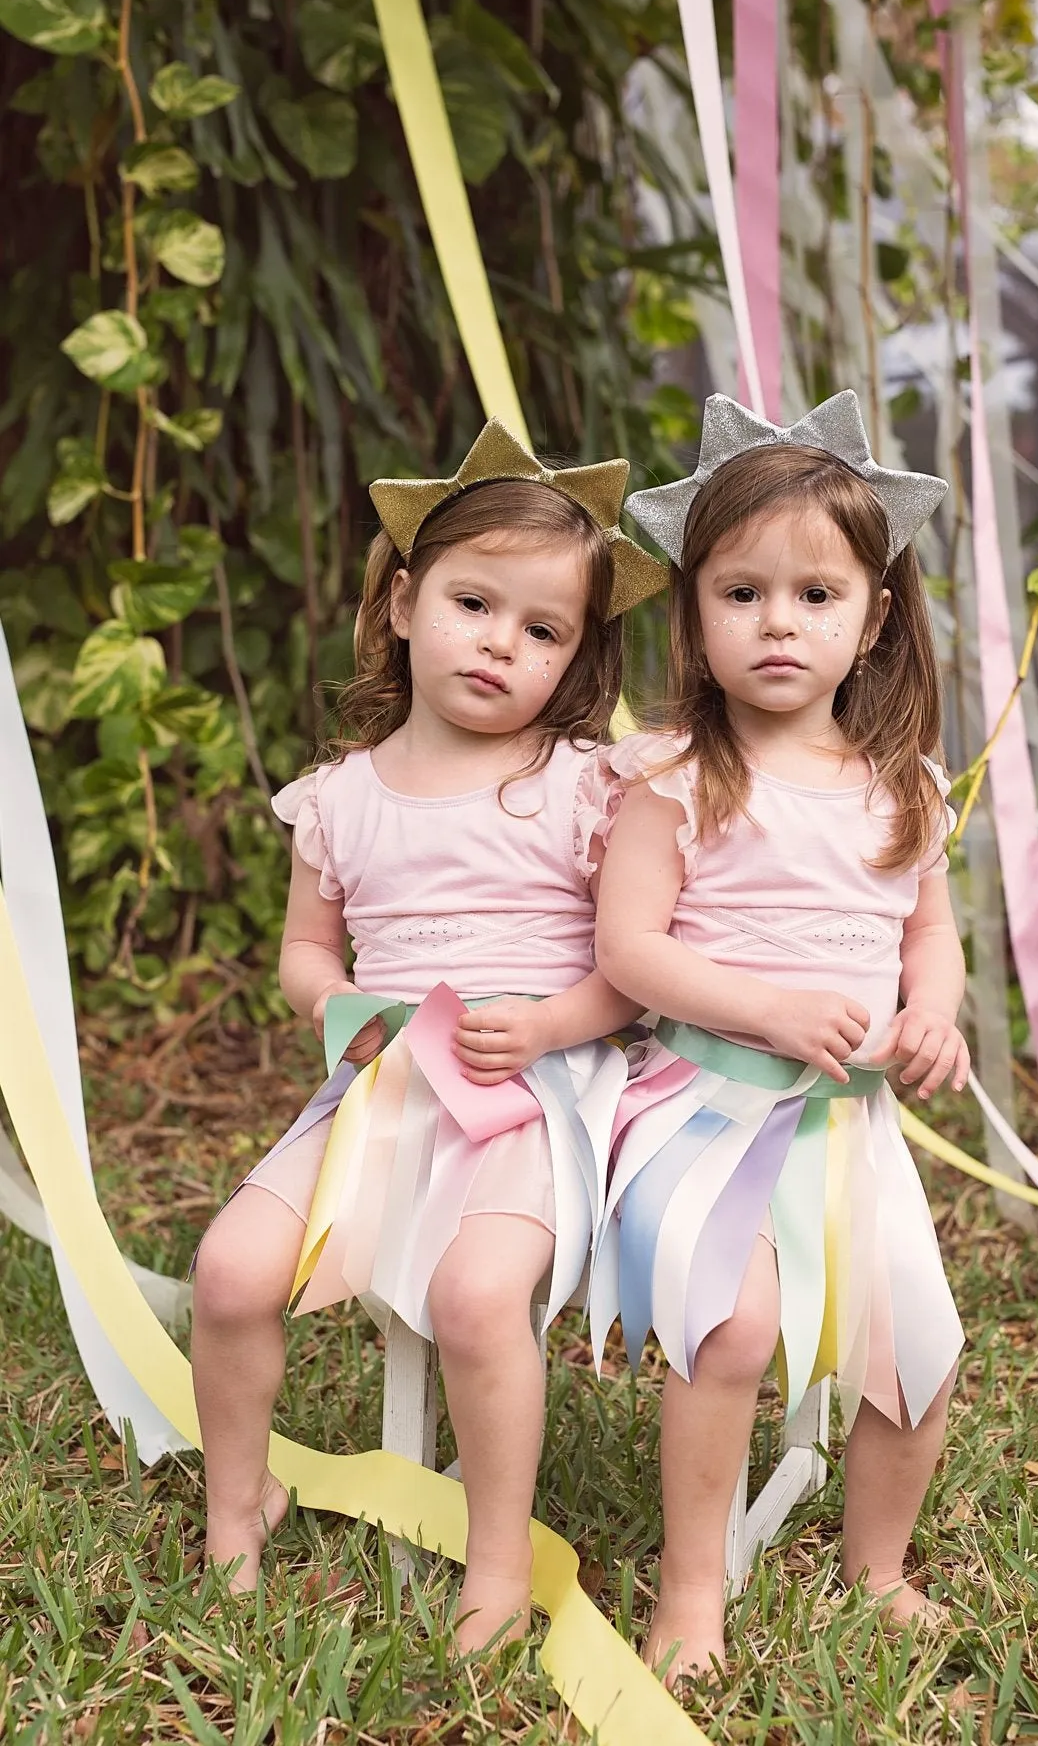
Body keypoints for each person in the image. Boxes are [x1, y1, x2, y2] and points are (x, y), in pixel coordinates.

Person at [191, 419, 666, 1649]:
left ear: (576, 660)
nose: (502, 642)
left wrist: (550, 1021)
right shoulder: (344, 792)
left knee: (473, 1293)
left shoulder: (576, 786)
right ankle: (238, 1510)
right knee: (233, 1271)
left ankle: (497, 1565)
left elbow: (632, 970)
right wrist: (332, 1011)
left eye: (544, 629)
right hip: (387, 1086)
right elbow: (308, 951)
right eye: (472, 602)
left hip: (535, 1091)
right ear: (404, 602)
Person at [591, 392, 968, 1682]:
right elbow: (629, 953)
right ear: (696, 613)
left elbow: (930, 932)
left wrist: (934, 1019)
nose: (778, 623)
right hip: (701, 1109)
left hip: (848, 1131)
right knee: (731, 1327)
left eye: (816, 595)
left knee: (920, 1352)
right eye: (741, 593)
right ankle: (693, 1587)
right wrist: (771, 1008)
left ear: (873, 619)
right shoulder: (677, 776)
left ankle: (878, 1568)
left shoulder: (903, 781)